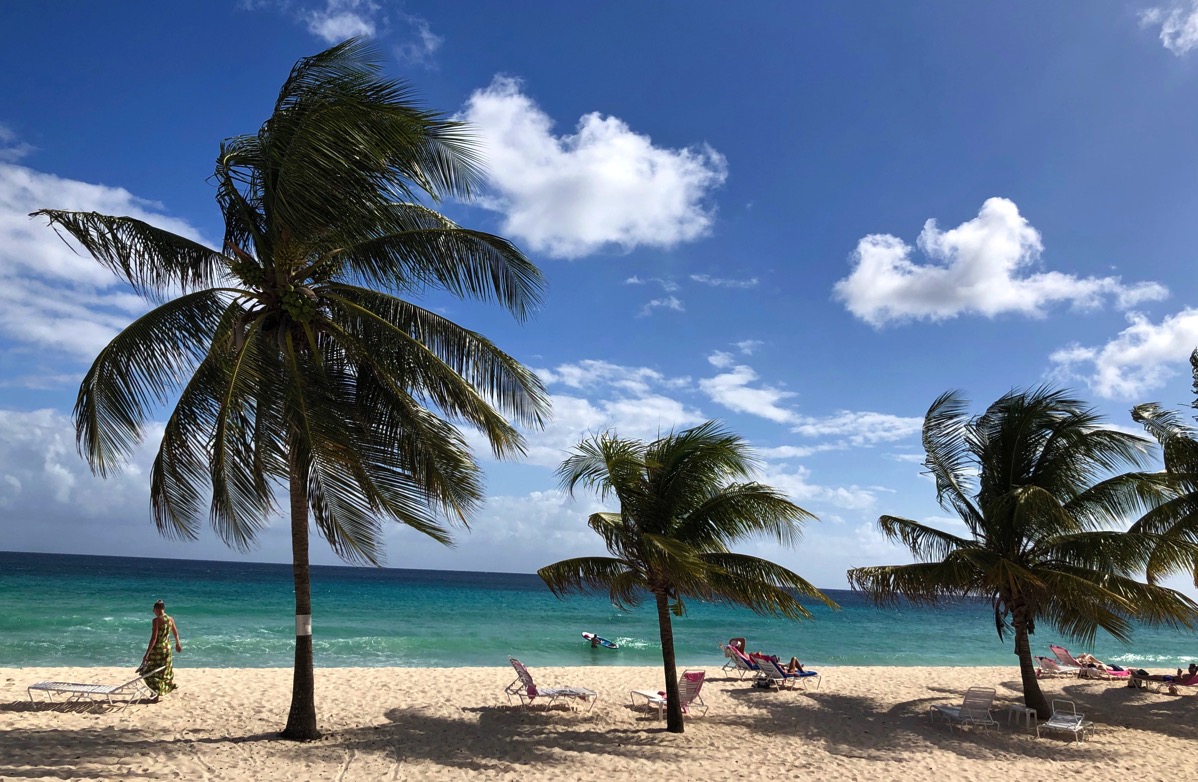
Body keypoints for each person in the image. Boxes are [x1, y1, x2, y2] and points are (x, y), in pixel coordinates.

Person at [140, 599, 181, 696]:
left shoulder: (156, 621)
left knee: (148, 672)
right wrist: (177, 644)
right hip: (167, 648)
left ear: (156, 609)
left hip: (157, 650)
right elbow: (175, 633)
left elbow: (154, 638)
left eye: (153, 610)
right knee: (163, 671)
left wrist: (147, 653)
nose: (153, 612)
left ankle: (155, 693)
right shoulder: (170, 619)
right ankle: (164, 688)